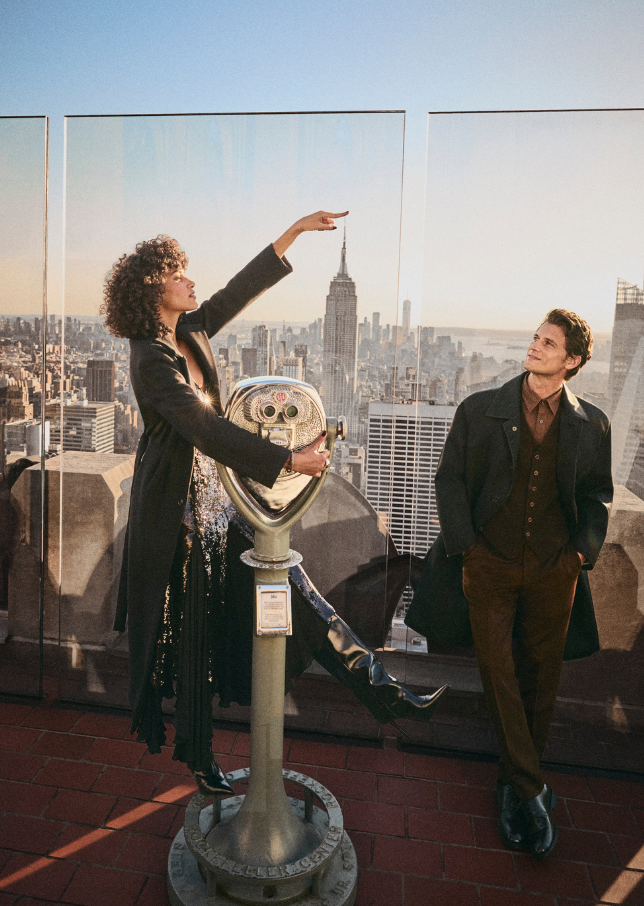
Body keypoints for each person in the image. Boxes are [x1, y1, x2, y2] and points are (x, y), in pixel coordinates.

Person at [104, 211, 448, 797]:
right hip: (179, 517)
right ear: (152, 289)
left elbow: (235, 291)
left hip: (217, 500)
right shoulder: (150, 358)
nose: (191, 280)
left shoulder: (188, 331)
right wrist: (290, 460)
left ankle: (384, 692)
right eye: (178, 273)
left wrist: (289, 236)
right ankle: (200, 757)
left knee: (295, 588)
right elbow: (206, 431)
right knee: (195, 640)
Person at [405, 309, 612, 860]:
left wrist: (579, 555)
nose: (535, 347)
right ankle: (531, 790)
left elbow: (597, 498)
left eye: (549, 343)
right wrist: (468, 549)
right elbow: (449, 480)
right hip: (487, 566)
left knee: (541, 677)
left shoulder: (593, 424)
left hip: (554, 570)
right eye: (535, 338)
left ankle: (512, 785)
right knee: (497, 669)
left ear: (571, 362)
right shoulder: (479, 410)